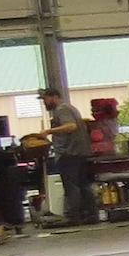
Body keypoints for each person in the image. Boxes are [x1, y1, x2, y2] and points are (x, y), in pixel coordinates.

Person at [41, 89, 96, 225]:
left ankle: (73, 217)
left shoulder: (62, 109)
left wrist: (48, 131)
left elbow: (71, 126)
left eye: (45, 99)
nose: (44, 103)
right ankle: (90, 215)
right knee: (82, 184)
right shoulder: (69, 108)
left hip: (70, 153)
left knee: (71, 186)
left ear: (54, 97)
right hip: (79, 152)